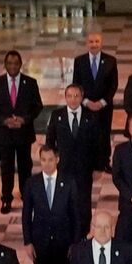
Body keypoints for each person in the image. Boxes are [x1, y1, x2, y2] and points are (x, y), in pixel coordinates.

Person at [21, 144, 81, 264]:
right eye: (43, 160)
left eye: (50, 159)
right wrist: (28, 242)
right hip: (40, 244)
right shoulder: (32, 183)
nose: (46, 164)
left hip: (64, 244)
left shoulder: (69, 181)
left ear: (57, 159)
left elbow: (75, 215)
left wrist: (75, 243)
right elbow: (26, 215)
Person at [0, 49, 42, 212]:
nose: (12, 66)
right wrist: (4, 120)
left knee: (26, 167)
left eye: (16, 63)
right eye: (9, 63)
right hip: (4, 135)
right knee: (7, 168)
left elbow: (38, 106)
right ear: (5, 65)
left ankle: (27, 196)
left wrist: (24, 120)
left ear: (20, 65)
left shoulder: (30, 83)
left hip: (23, 134)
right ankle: (6, 198)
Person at [45, 83, 96, 222]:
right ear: (65, 97)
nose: (73, 99)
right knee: (64, 200)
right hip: (63, 167)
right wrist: (52, 161)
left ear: (81, 97)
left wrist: (97, 166)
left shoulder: (90, 116)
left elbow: (97, 143)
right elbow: (50, 140)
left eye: (76, 96)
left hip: (84, 168)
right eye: (70, 96)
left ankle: (84, 233)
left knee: (84, 202)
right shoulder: (57, 115)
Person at [72, 30, 119, 174]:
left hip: (104, 107)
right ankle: (88, 162)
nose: (94, 44)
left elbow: (113, 85)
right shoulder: (79, 61)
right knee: (86, 134)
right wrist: (85, 102)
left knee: (104, 133)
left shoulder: (110, 61)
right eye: (91, 42)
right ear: (87, 43)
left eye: (97, 41)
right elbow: (76, 83)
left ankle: (104, 161)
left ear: (101, 43)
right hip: (86, 106)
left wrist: (102, 102)